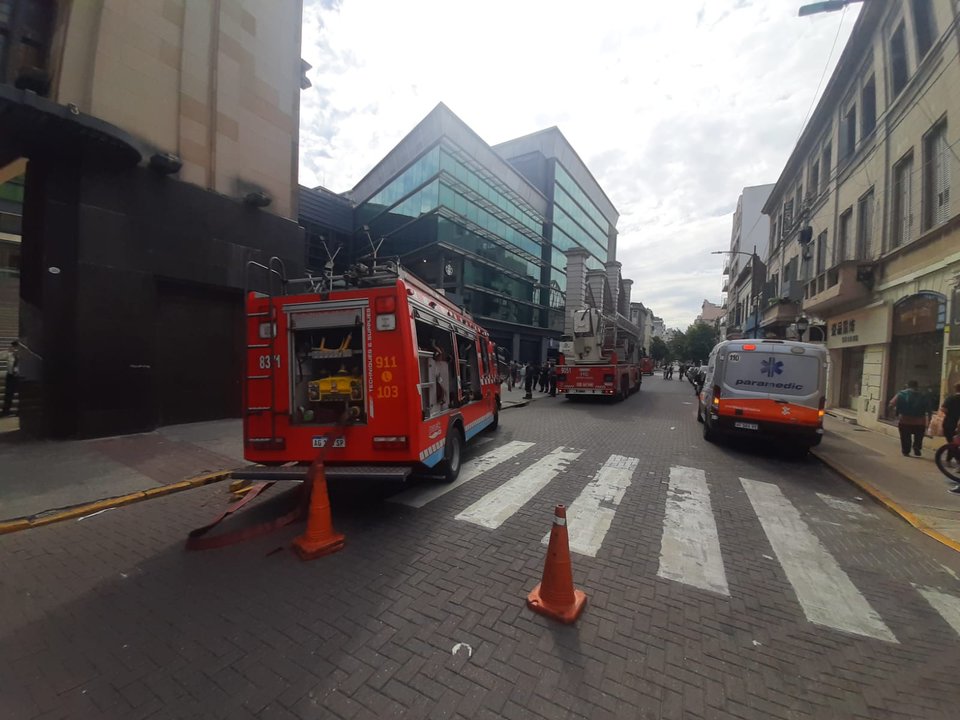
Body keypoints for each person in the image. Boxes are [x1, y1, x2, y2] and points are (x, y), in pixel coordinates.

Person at [887, 380, 930, 457]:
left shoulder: (901, 394)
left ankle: (906, 451)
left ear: (907, 385)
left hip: (904, 420)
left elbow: (891, 405)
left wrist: (893, 412)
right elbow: (928, 409)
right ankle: (917, 446)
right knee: (919, 436)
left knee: (905, 437)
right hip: (920, 421)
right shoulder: (923, 395)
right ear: (917, 386)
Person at [1, 339, 20, 417]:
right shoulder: (9, 354)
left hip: (21, 377)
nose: (15, 348)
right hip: (10, 376)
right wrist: (8, 351)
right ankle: (6, 411)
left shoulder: (25, 355)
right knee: (8, 394)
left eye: (16, 346)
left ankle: (20, 412)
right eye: (13, 346)